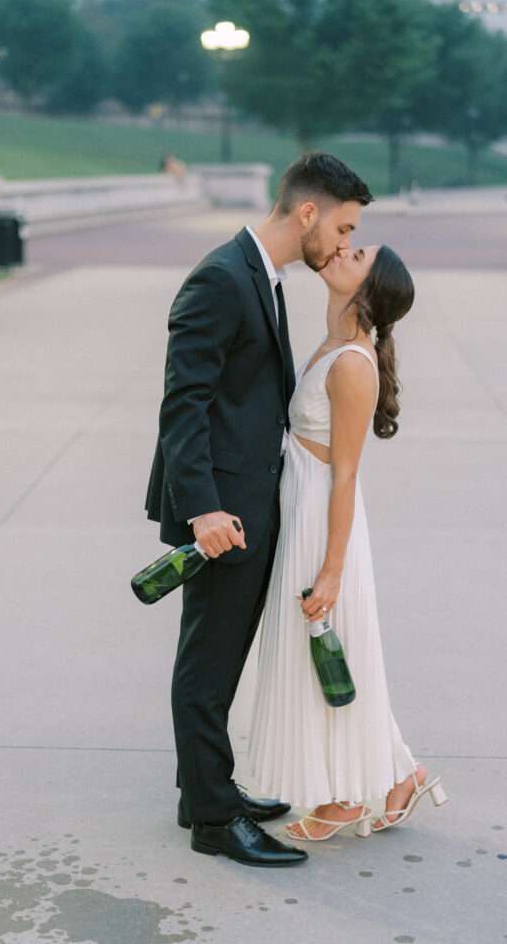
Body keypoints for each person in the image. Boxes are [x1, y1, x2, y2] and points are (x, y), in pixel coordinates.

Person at [144, 153, 374, 866]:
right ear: (307, 212)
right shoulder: (221, 278)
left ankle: (207, 789)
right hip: (220, 510)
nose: (341, 244)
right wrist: (204, 510)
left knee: (221, 654)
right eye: (341, 227)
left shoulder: (262, 277)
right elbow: (184, 403)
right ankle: (213, 819)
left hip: (245, 500)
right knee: (207, 662)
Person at [247, 241, 450, 842]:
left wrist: (332, 569)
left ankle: (346, 798)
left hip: (322, 521)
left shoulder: (354, 365)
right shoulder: (333, 342)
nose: (341, 249)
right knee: (339, 654)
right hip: (301, 509)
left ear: (368, 289)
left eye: (356, 252)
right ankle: (400, 775)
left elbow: (346, 472)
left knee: (331, 655)